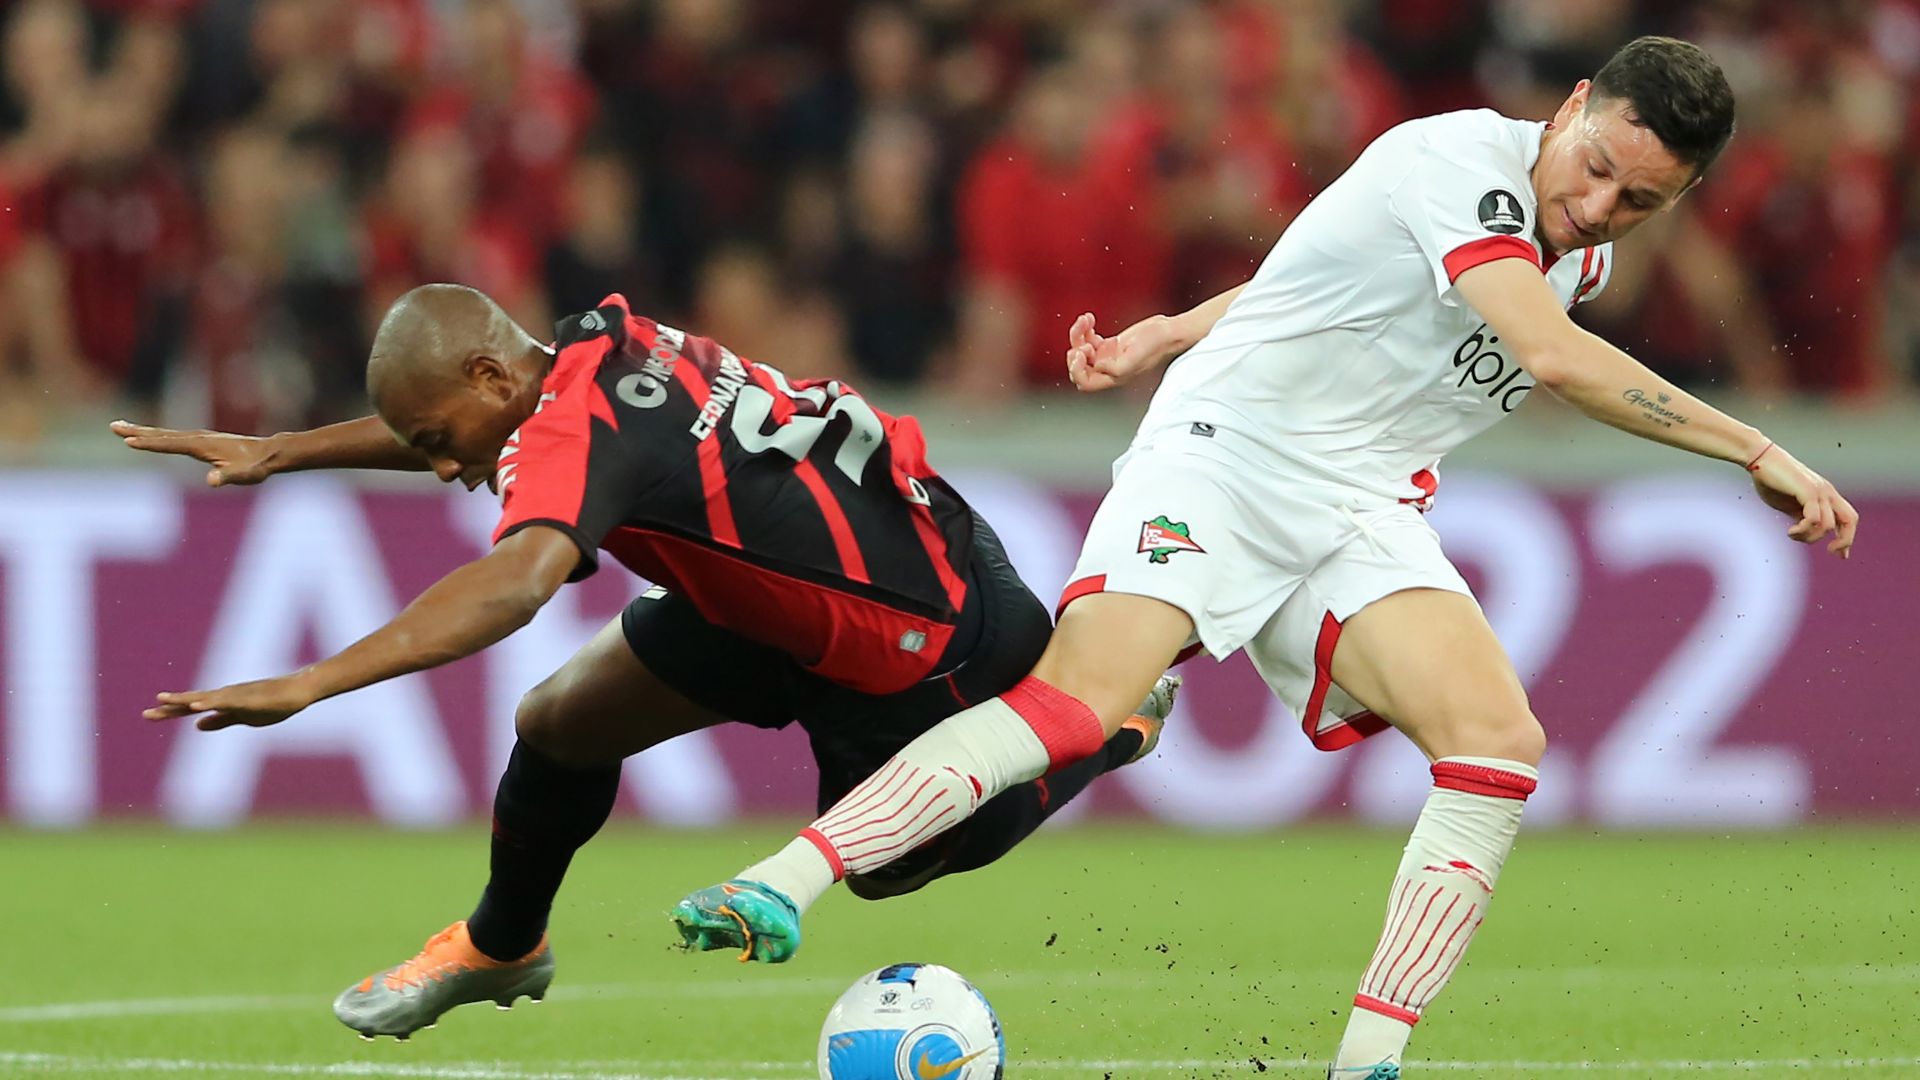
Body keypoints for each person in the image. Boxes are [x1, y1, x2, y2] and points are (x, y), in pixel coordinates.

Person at [670, 37, 1859, 1079]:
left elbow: (1310, 272)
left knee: (1499, 744)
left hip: (1357, 508)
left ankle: (1367, 1067)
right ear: (1574, 104)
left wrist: (1172, 326)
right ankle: (785, 878)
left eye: (1642, 201)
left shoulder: (1575, 251)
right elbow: (1550, 360)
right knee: (1077, 706)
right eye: (1597, 168)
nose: (1600, 210)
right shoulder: (1457, 164)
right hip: (1226, 456)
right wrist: (1750, 444)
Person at [115, 283, 1175, 1040]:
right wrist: (280, 452)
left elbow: (516, 585)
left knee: (892, 866)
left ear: (493, 371)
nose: (443, 468)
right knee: (561, 722)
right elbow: (494, 436)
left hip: (922, 632)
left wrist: (311, 681)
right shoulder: (584, 360)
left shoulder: (579, 426)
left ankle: (1107, 723)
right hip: (760, 606)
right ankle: (501, 946)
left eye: (441, 438)